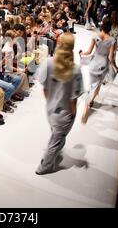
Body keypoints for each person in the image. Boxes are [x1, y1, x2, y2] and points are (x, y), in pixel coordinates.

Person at [35, 33, 84, 175]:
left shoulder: (48, 62)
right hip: (65, 113)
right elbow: (73, 99)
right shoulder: (75, 69)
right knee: (55, 141)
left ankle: (55, 153)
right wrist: (73, 113)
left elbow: (44, 88)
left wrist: (51, 102)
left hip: (50, 109)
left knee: (56, 136)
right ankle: (43, 167)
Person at [80, 18, 118, 123]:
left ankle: (85, 109)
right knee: (97, 86)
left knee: (89, 86)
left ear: (102, 25)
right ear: (110, 27)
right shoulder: (112, 40)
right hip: (103, 64)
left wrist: (81, 54)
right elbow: (111, 58)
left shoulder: (95, 36)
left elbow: (89, 51)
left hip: (93, 63)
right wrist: (116, 68)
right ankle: (91, 101)